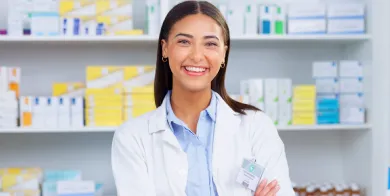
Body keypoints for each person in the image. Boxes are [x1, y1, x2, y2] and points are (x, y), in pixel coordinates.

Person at [111, 1, 295, 196]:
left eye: (210, 44)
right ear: (165, 48)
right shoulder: (132, 138)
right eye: (184, 42)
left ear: (224, 52)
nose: (197, 56)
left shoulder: (256, 127)